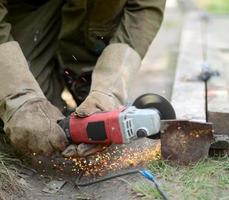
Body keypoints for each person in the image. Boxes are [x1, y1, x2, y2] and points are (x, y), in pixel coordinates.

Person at [0, 0, 166, 157]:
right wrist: (18, 97)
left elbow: (144, 8)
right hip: (26, 7)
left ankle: (84, 73)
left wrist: (108, 90)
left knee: (58, 126)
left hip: (94, 14)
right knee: (33, 127)